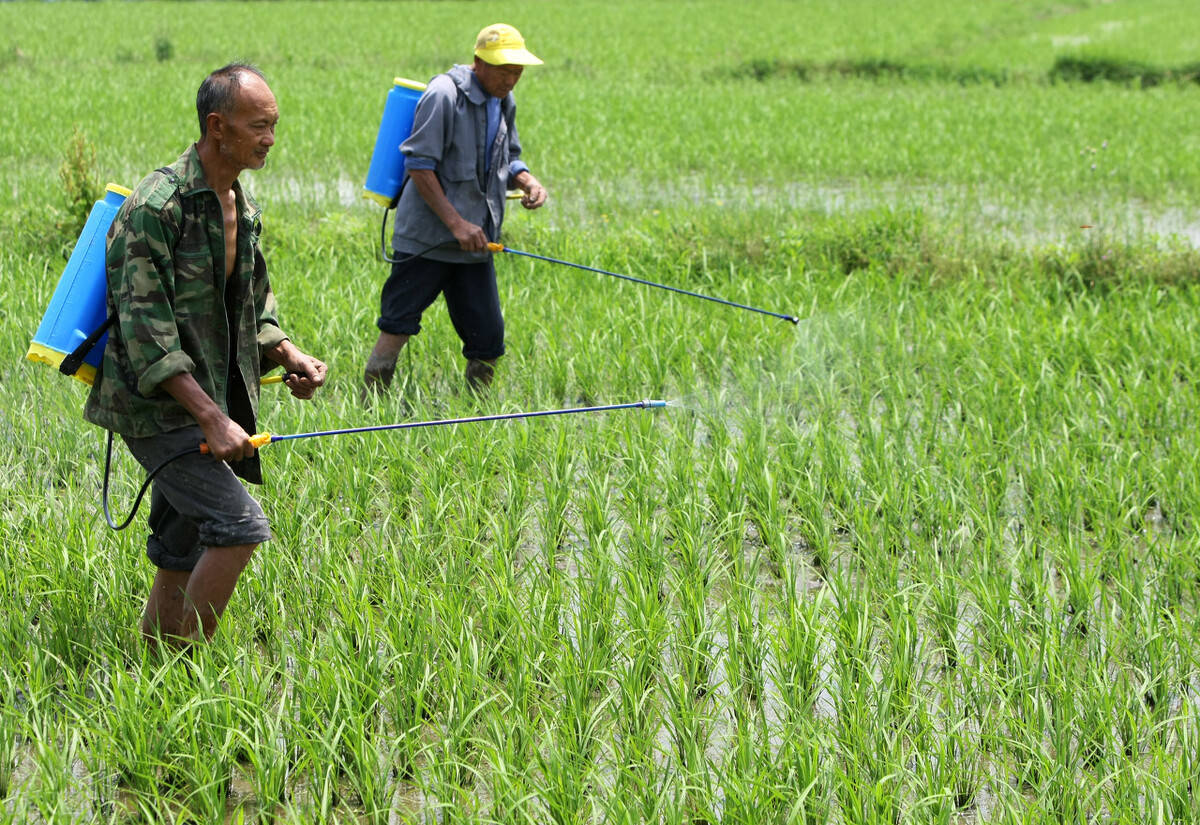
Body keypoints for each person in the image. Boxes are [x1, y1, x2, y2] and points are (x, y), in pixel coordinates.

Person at [84, 63, 327, 648]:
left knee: (185, 541)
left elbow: (251, 305)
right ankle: (188, 667)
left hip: (207, 400)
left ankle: (155, 658)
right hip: (158, 408)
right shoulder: (156, 207)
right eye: (258, 126)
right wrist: (212, 418)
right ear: (217, 126)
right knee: (238, 527)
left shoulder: (239, 204)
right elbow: (148, 336)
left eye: (273, 125)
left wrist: (288, 352)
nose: (270, 138)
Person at [362, 23, 548, 396]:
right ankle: (369, 409)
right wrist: (457, 224)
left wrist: (527, 180)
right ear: (479, 62)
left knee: (489, 341)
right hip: (426, 243)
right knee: (396, 326)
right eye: (503, 70)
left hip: (475, 246)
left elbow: (508, 158)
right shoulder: (444, 95)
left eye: (517, 71)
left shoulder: (503, 102)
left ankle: (474, 415)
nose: (511, 79)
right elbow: (419, 165)